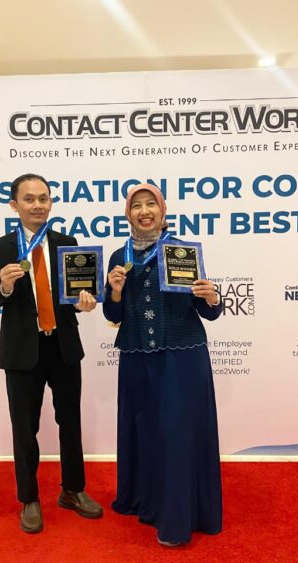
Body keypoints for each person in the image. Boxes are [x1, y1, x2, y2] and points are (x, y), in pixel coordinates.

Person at [0, 173, 103, 534]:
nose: (37, 205)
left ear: (51, 203)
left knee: (71, 423)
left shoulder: (67, 243)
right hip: (22, 352)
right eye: (29, 199)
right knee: (24, 428)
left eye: (43, 198)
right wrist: (3, 287)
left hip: (63, 346)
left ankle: (72, 490)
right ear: (14, 205)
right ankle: (29, 498)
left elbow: (75, 295)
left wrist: (83, 303)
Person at [103, 183, 223, 546]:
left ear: (163, 210)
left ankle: (178, 519)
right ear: (128, 214)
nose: (144, 211)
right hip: (137, 358)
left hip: (181, 358)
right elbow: (113, 315)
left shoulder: (182, 251)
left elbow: (207, 311)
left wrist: (212, 298)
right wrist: (115, 292)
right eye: (136, 206)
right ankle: (148, 502)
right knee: (145, 431)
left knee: (177, 434)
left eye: (150, 204)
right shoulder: (118, 256)